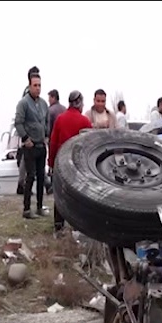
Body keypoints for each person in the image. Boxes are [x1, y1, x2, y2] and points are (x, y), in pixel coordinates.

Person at [49, 90, 93, 232]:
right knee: (77, 197)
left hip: (61, 164)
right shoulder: (84, 121)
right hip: (78, 167)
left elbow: (53, 142)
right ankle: (77, 228)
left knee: (60, 194)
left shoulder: (60, 119)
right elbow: (89, 146)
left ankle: (58, 225)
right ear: (79, 102)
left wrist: (51, 163)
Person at [15, 73, 50, 219]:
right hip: (30, 146)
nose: (38, 88)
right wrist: (25, 138)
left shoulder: (43, 104)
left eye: (39, 85)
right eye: (35, 85)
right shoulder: (23, 103)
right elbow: (18, 122)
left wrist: (47, 136)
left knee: (42, 177)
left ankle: (40, 206)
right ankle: (27, 209)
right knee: (30, 176)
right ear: (29, 86)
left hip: (41, 146)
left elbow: (46, 121)